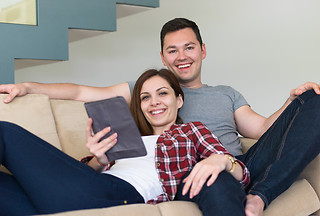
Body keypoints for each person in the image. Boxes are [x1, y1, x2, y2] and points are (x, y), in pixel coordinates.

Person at [0, 18, 319, 216]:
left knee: (311, 99)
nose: (181, 56)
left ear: (202, 51)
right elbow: (81, 93)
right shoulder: (135, 113)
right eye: (172, 50)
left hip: (222, 172)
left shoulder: (216, 104)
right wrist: (28, 86)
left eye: (189, 47)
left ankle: (260, 195)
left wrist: (291, 103)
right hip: (103, 184)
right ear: (163, 56)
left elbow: (264, 128)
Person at [0, 68, 250, 216]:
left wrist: (221, 160)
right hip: (86, 189)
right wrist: (99, 161)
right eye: (145, 97)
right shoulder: (125, 136)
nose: (154, 102)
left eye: (163, 94)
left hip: (121, 195)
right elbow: (73, 180)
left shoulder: (191, 131)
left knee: (5, 133)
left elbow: (242, 175)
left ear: (179, 100)